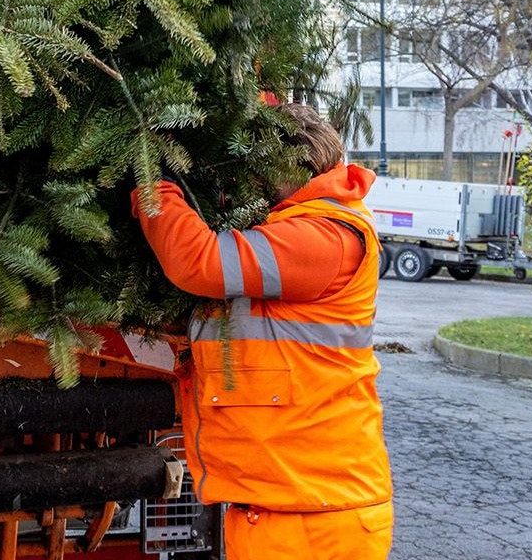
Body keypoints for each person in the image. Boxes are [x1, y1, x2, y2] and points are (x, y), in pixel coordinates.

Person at [132, 102, 393, 560]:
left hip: (312, 522)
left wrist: (152, 186)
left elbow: (201, 263)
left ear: (288, 171)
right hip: (284, 512)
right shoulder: (300, 225)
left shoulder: (322, 237)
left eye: (257, 171)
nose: (247, 183)